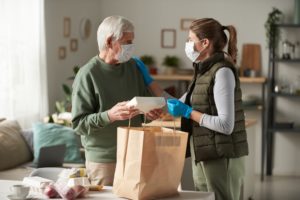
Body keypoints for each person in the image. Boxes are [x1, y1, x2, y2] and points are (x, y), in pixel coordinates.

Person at [136, 18, 248, 200]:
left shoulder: (223, 72)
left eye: (190, 39)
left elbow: (226, 125)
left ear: (205, 43)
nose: (187, 44)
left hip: (222, 156)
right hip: (203, 152)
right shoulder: (202, 72)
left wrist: (188, 112)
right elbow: (172, 103)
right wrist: (148, 79)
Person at [71, 15, 162, 186]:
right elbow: (78, 124)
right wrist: (109, 116)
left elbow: (142, 108)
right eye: (127, 42)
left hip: (135, 154)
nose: (131, 47)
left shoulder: (133, 67)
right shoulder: (87, 74)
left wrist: (149, 113)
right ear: (109, 41)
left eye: (132, 41)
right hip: (104, 161)